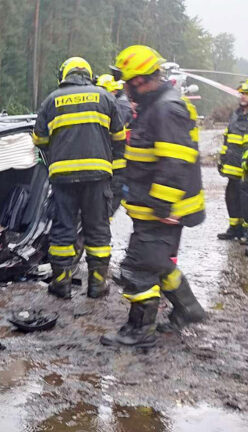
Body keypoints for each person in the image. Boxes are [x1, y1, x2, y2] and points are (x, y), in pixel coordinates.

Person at [101, 45, 206, 348]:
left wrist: (161, 204)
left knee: (138, 268)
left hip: (162, 209)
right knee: (159, 263)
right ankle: (188, 309)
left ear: (141, 79)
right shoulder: (154, 105)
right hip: (153, 206)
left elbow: (175, 161)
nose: (124, 88)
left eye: (127, 81)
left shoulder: (165, 108)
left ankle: (139, 330)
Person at [33, 57, 126, 299]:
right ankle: (97, 285)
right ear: (88, 74)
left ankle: (61, 284)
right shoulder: (105, 98)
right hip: (97, 178)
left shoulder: (51, 100)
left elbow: (39, 141)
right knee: (97, 230)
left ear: (64, 75)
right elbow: (119, 139)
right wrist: (117, 178)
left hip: (63, 179)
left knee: (63, 230)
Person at [96, 74, 134, 214]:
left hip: (119, 164)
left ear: (114, 91)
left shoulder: (121, 106)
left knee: (109, 204)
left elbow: (113, 132)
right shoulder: (117, 103)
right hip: (113, 163)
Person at [218, 80, 248, 240]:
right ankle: (234, 228)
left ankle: (245, 231)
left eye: (246, 94)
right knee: (231, 196)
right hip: (232, 164)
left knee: (245, 198)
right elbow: (227, 137)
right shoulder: (236, 114)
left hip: (245, 166)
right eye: (242, 93)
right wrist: (222, 159)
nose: (242, 96)